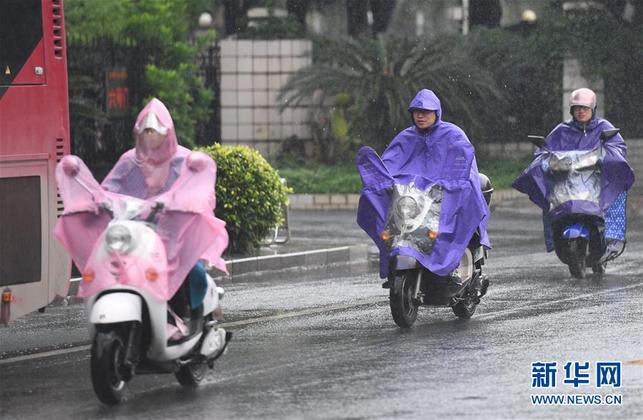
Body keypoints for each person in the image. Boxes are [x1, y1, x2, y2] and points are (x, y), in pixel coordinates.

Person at [102, 98, 218, 322]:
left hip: (177, 236)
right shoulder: (128, 161)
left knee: (193, 271)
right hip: (137, 234)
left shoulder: (185, 160)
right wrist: (101, 203)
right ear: (138, 135)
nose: (151, 138)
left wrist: (188, 206)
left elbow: (203, 191)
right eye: (146, 133)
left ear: (168, 134)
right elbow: (107, 190)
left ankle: (190, 314)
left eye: (156, 133)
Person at [378, 88, 491, 281]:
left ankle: (456, 266)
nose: (420, 116)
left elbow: (466, 166)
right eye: (416, 112)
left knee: (452, 226)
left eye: (426, 112)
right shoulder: (405, 138)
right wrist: (382, 182)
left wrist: (455, 185)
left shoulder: (453, 134)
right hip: (415, 200)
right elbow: (388, 165)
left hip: (447, 197)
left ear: (436, 113)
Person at [539, 87, 634, 261]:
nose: (581, 111)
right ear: (572, 110)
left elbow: (618, 148)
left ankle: (612, 239)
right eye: (577, 108)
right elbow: (544, 151)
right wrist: (547, 163)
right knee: (547, 197)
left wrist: (605, 159)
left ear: (593, 109)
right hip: (567, 184)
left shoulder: (604, 128)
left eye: (585, 108)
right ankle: (553, 238)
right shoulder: (561, 130)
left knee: (617, 193)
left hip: (596, 183)